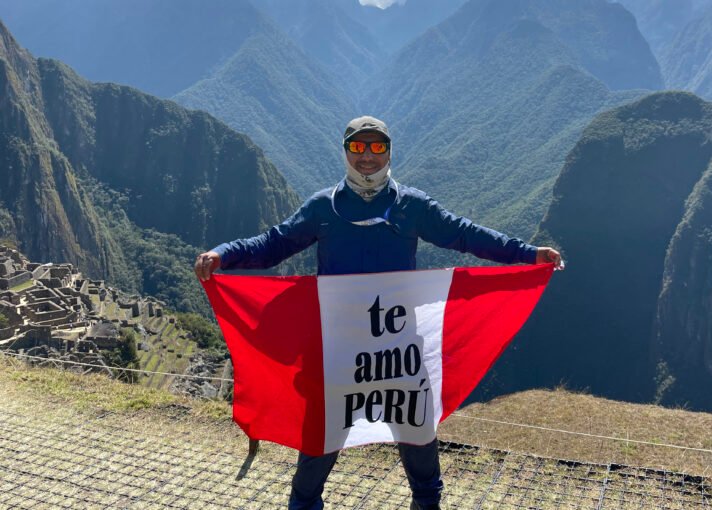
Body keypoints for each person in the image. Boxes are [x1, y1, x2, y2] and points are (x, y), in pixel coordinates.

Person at [195, 116, 562, 510]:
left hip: (398, 343)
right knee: (322, 435)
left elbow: (464, 234)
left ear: (388, 152)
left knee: (416, 430)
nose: (367, 156)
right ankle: (304, 504)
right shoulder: (324, 207)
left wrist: (527, 254)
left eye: (376, 147)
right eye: (358, 146)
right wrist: (223, 254)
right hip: (339, 346)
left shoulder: (412, 205)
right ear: (345, 151)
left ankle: (427, 503)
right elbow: (273, 244)